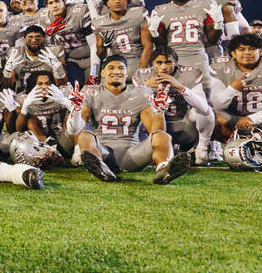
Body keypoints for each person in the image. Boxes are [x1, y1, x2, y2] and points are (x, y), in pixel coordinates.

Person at [66, 55, 193, 184]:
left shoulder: (140, 93)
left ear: (127, 72)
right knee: (85, 135)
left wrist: (159, 112)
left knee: (163, 136)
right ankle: (100, 167)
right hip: (102, 152)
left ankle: (164, 169)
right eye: (111, 68)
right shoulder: (90, 92)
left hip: (132, 155)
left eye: (121, 68)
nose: (116, 71)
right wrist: (75, 110)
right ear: (103, 72)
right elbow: (75, 129)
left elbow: (156, 132)